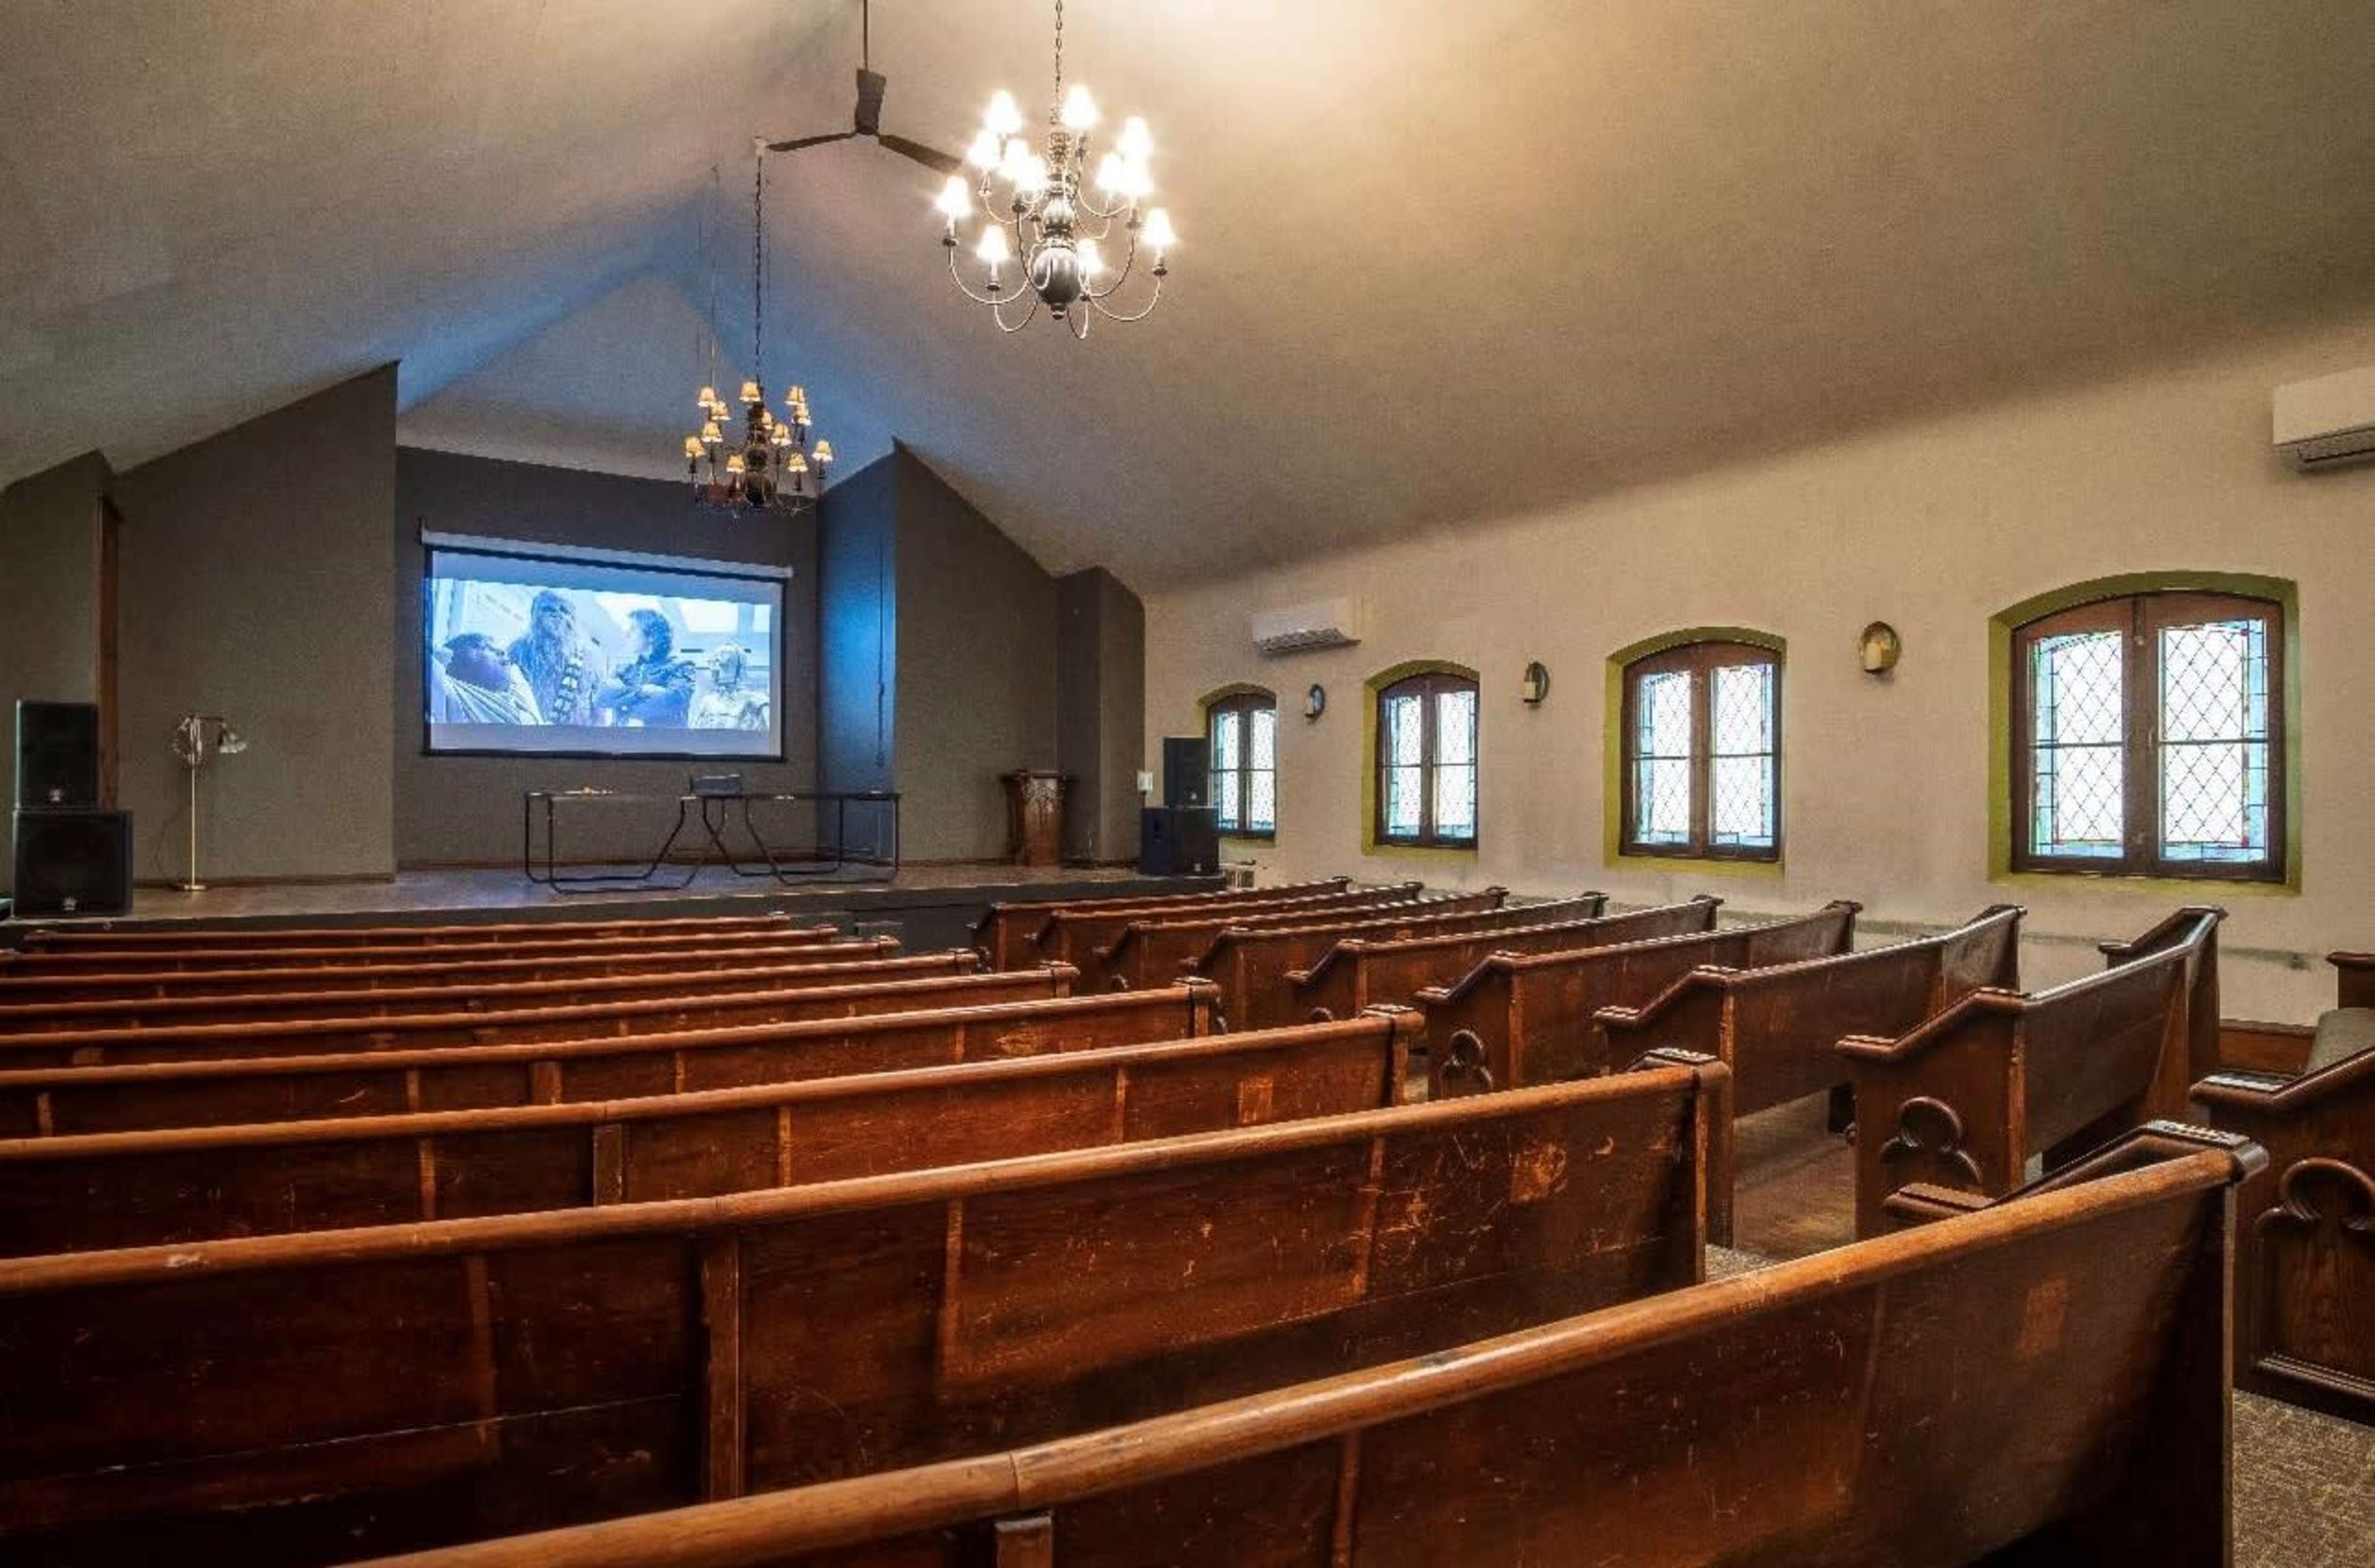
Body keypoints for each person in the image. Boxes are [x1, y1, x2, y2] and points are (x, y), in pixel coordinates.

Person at [595, 608, 696, 728]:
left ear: (652, 636)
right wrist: (641, 692)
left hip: (662, 744)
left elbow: (673, 702)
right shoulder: (625, 671)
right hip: (622, 742)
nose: (626, 634)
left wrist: (622, 697)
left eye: (633, 629)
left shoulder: (681, 667)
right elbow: (601, 699)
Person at [507, 589, 594, 725]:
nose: (558, 614)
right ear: (534, 616)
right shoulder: (517, 650)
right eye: (548, 609)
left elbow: (593, 705)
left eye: (565, 611)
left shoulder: (586, 658)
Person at [429, 633, 542, 725]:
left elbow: (516, 675)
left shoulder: (518, 698)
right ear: (454, 663)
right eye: (484, 647)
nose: (502, 651)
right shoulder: (457, 694)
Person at [690, 643, 771, 732]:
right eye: (714, 663)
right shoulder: (707, 702)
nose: (715, 669)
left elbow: (769, 736)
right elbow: (694, 736)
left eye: (723, 665)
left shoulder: (756, 701)